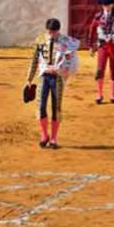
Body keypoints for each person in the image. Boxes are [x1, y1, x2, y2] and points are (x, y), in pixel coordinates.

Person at [26, 18, 80, 149]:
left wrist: (61, 71)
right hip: (43, 77)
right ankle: (44, 136)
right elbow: (34, 60)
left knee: (56, 108)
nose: (51, 35)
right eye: (49, 32)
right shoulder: (40, 40)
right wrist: (29, 78)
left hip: (57, 78)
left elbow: (72, 62)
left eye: (54, 32)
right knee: (41, 106)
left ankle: (54, 138)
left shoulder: (67, 42)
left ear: (58, 31)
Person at [88, 0, 114, 104]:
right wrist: (91, 46)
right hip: (103, 45)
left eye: (107, 5)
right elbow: (92, 30)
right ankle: (99, 94)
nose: (105, 7)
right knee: (100, 69)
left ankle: (113, 95)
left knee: (113, 69)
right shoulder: (98, 16)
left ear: (112, 5)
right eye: (103, 5)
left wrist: (113, 37)